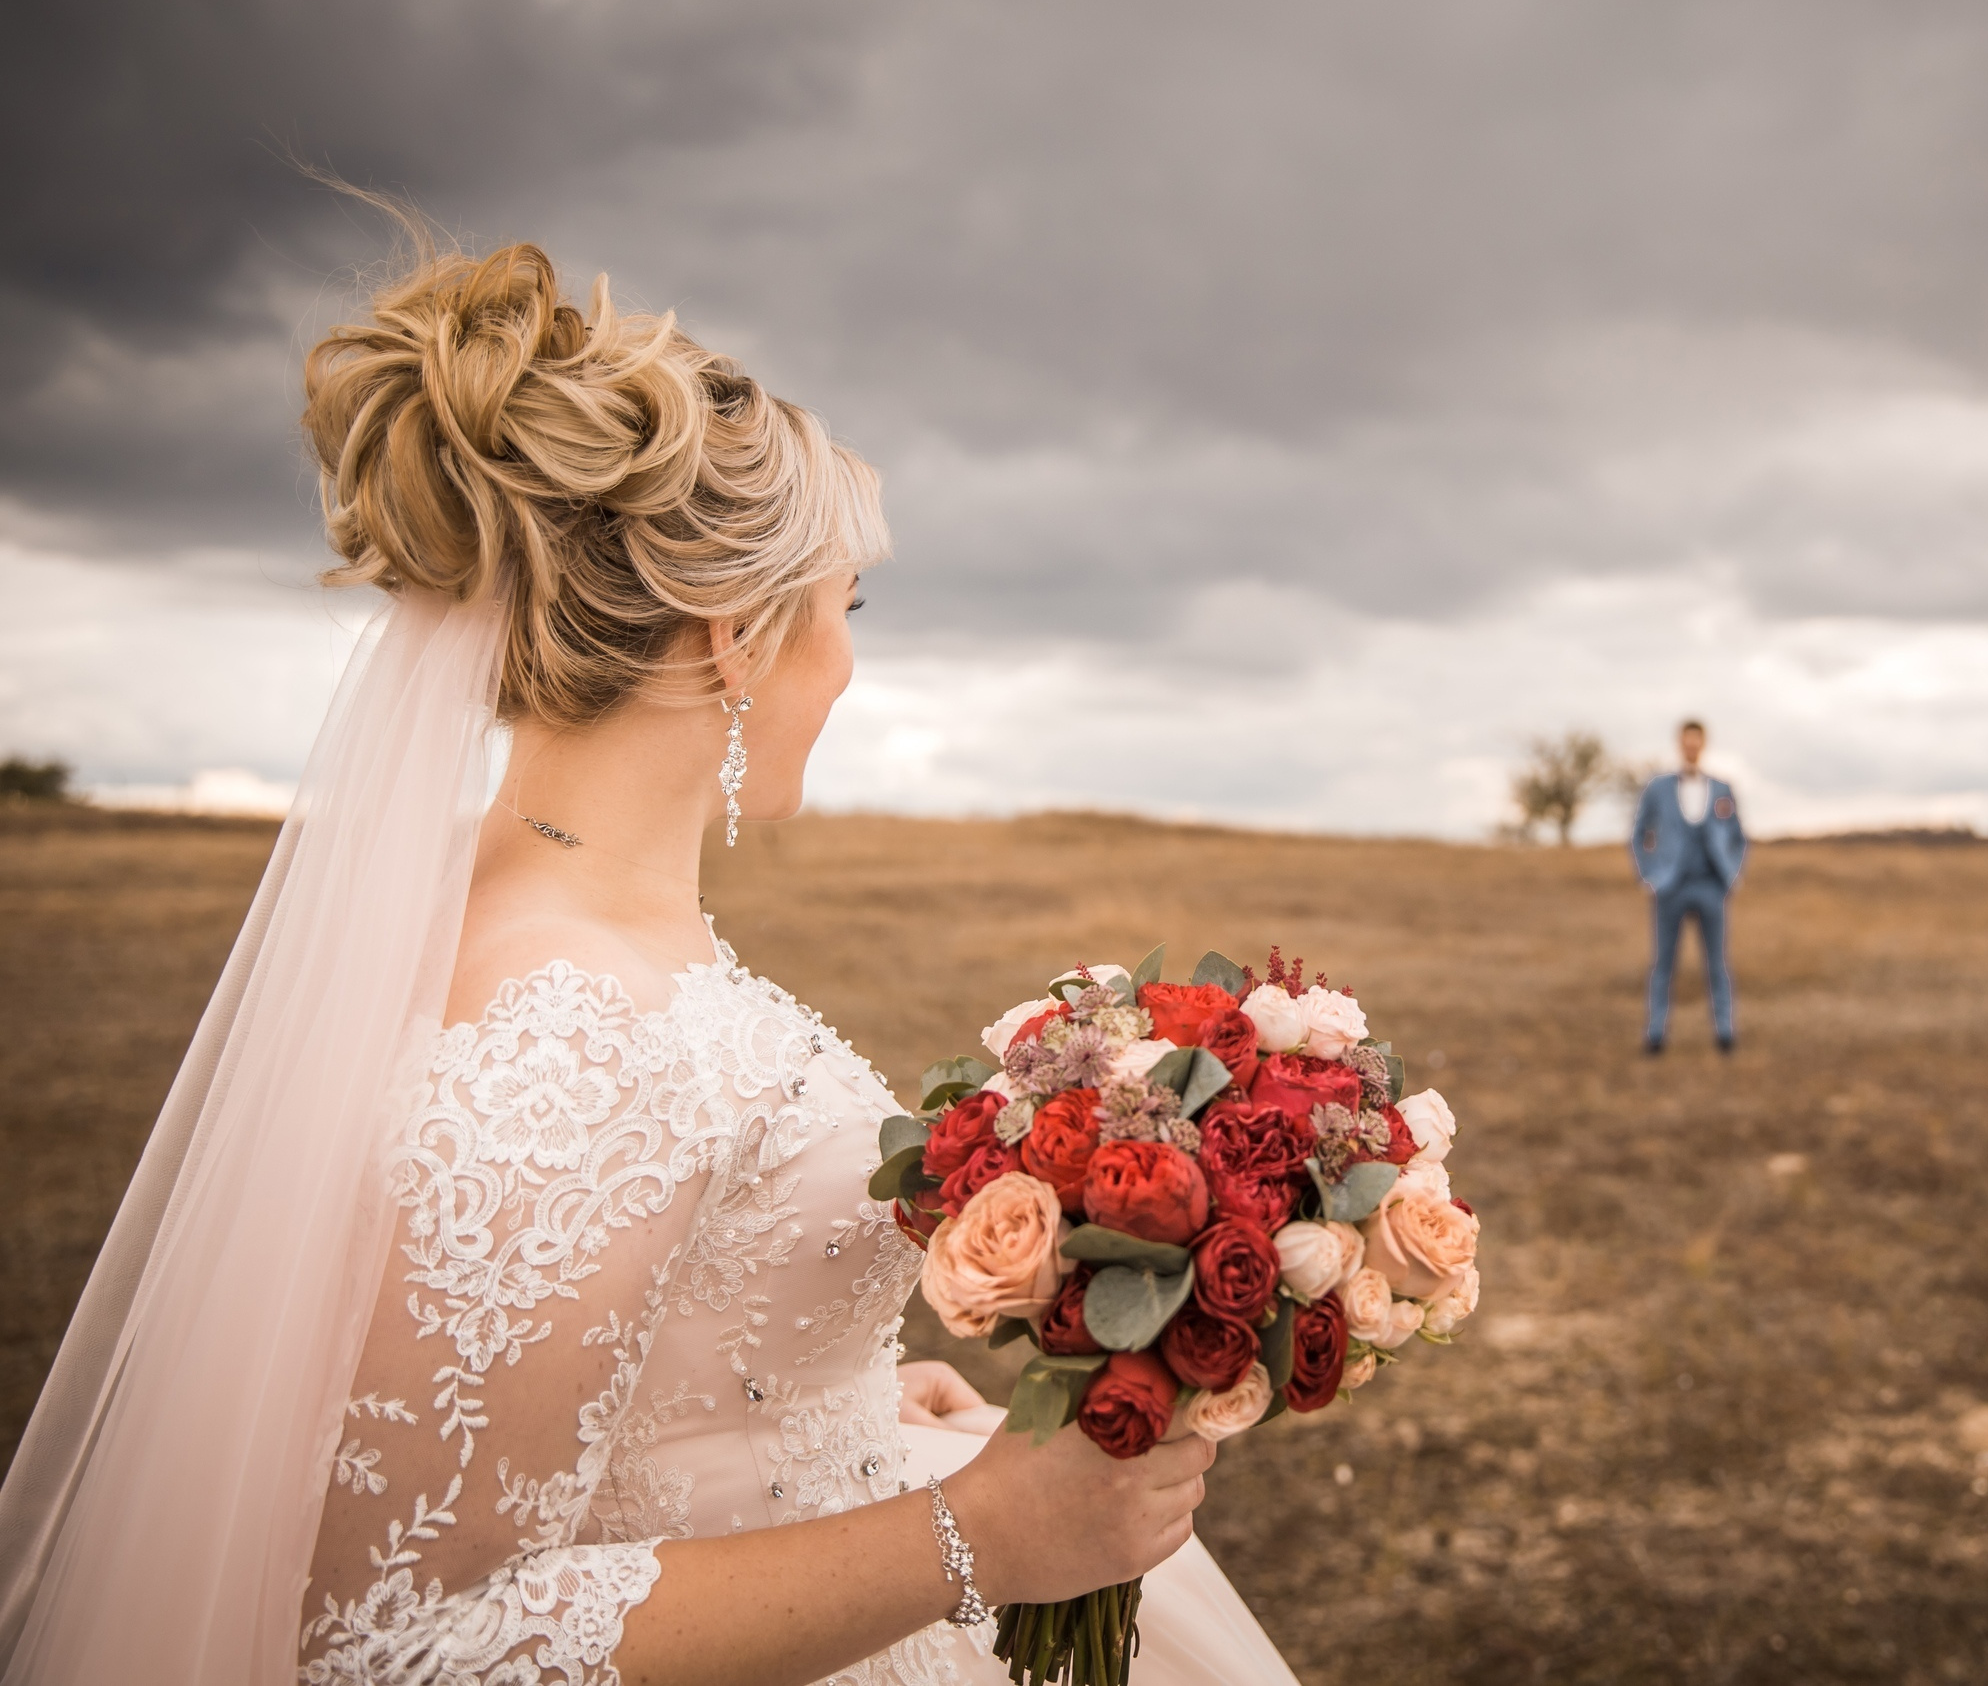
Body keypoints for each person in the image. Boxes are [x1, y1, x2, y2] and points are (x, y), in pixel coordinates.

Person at [0, 231, 1299, 1686]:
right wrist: (973, 1532)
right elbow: (396, 1644)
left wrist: (843, 1416)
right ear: (736, 633)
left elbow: (628, 1386)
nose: (847, 664)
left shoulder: (527, 932)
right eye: (840, 611)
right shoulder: (570, 1037)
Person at [1629, 718, 1748, 1055]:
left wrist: (1733, 873)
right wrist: (1647, 876)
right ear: (1679, 743)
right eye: (1686, 741)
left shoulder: (1722, 789)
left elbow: (1739, 837)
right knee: (1663, 964)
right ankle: (1655, 1034)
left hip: (1711, 885)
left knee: (1717, 962)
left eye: (1697, 741)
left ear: (1703, 744)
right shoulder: (1658, 788)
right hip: (1670, 887)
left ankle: (1725, 1032)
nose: (1691, 746)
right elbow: (1639, 835)